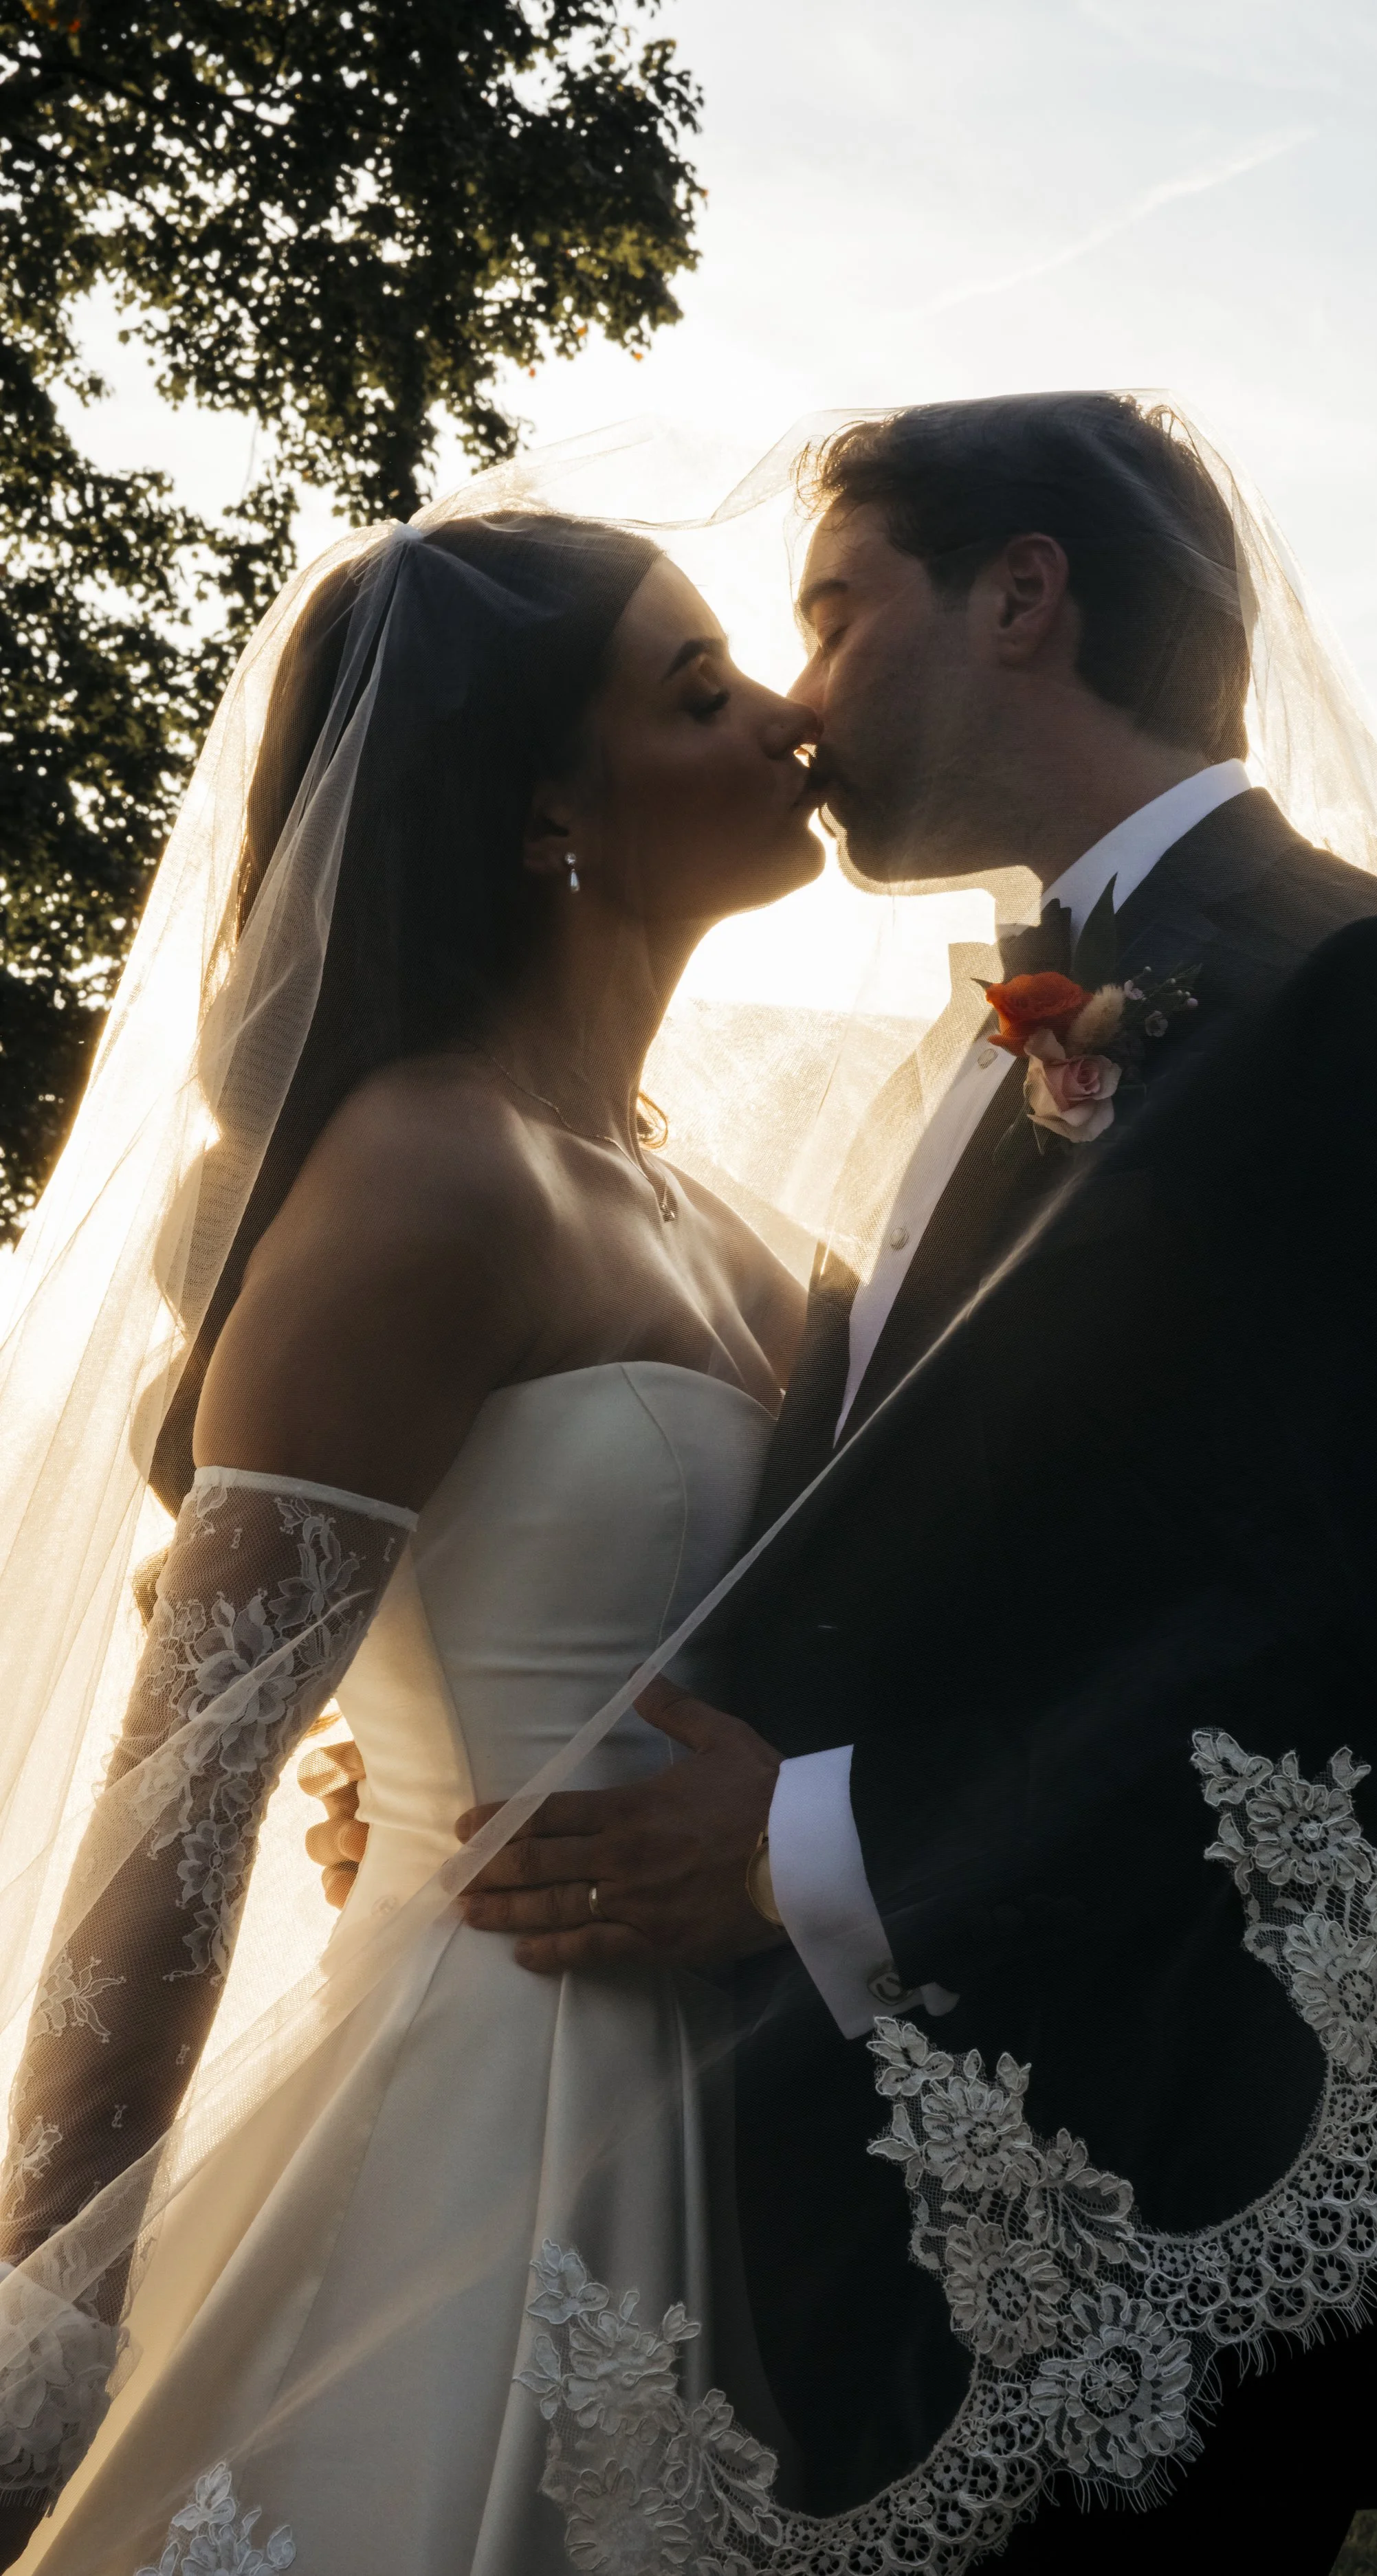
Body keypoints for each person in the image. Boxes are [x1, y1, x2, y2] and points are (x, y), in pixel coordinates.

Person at [359, 397, 1377, 2573]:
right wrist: (475, 1725)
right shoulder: (978, 1057)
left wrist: (807, 1847)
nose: (800, 698)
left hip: (1158, 2226)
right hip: (844, 2233)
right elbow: (883, 1552)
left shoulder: (1376, 994)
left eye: (833, 612)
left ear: (1021, 595)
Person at [0, 509, 822, 2571]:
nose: (789, 723)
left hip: (733, 2094)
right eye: (702, 692)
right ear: (550, 801)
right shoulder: (422, 1179)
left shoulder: (721, 1214)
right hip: (476, 2133)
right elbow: (185, 1794)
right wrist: (40, 2314)